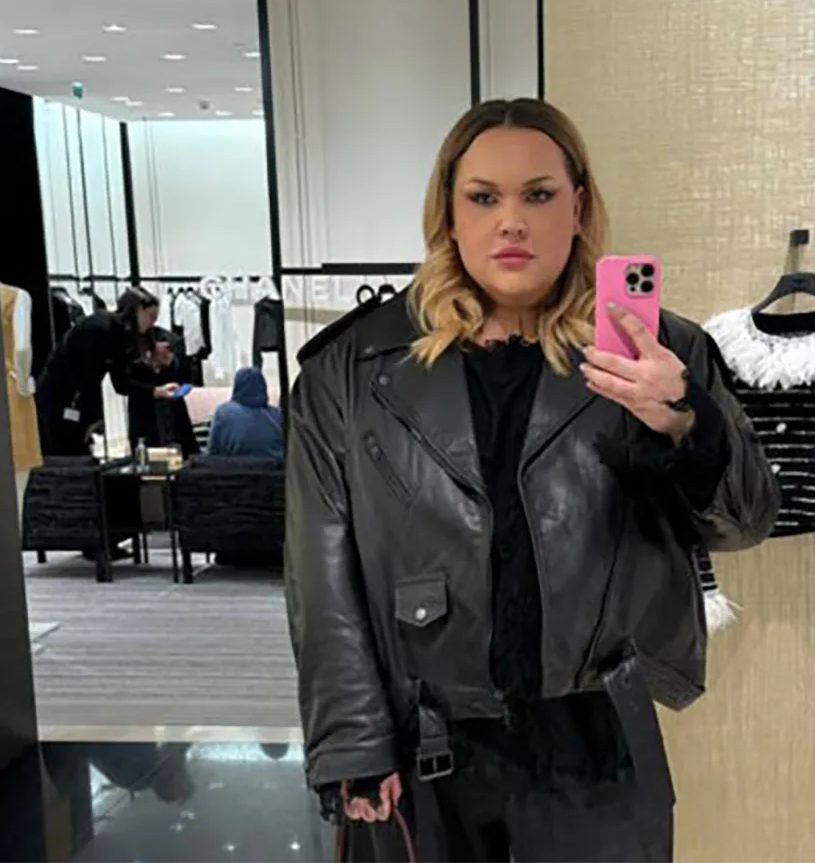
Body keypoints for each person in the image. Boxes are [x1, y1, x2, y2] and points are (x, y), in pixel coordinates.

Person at [284, 98, 780, 861]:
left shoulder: (658, 353)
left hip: (597, 739)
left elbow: (744, 522)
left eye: (538, 195)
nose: (511, 222)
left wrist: (686, 421)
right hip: (424, 741)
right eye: (484, 197)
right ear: (449, 214)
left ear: (577, 208)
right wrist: (352, 742)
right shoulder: (349, 370)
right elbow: (322, 573)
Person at [35, 286, 171, 456]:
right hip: (59, 398)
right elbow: (87, 378)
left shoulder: (119, 334)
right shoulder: (100, 329)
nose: (152, 323)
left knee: (75, 451)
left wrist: (157, 391)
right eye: (151, 317)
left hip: (72, 401)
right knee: (64, 452)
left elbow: (121, 383)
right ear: (137, 311)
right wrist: (93, 418)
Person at [124, 328, 199, 457]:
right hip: (147, 426)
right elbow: (128, 387)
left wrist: (172, 365)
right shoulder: (135, 369)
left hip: (175, 425)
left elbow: (187, 378)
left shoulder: (173, 365)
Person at [206, 367, 283, 460]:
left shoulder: (223, 413)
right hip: (273, 468)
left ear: (236, 387)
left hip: (232, 467)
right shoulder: (278, 416)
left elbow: (212, 452)